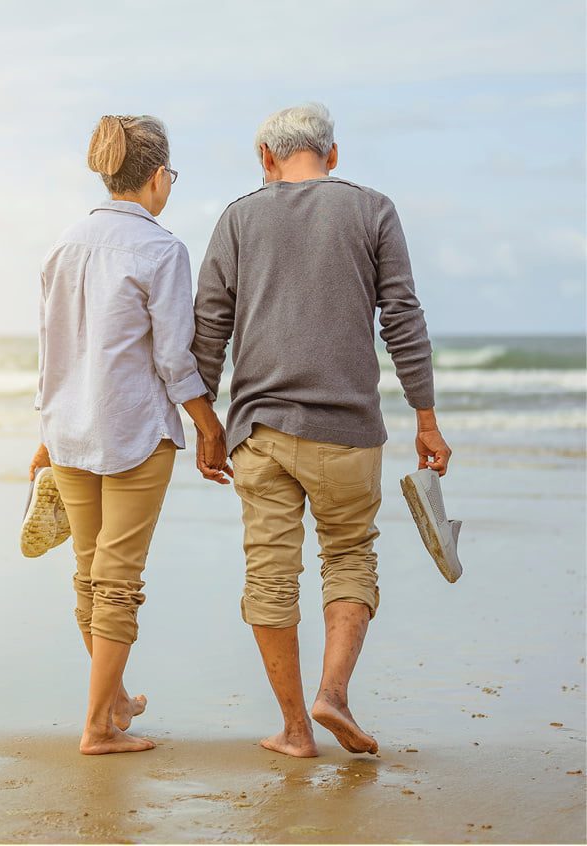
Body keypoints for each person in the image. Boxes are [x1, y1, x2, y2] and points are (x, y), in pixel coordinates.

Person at [191, 102, 452, 757]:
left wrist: (206, 425)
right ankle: (332, 693)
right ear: (332, 156)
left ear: (266, 160)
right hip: (349, 432)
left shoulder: (238, 218)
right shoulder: (372, 210)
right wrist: (426, 416)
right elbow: (402, 319)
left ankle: (295, 730)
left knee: (271, 578)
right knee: (350, 559)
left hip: (260, 432)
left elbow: (208, 330)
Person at [29, 114, 229, 755]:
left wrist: (44, 431)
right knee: (117, 580)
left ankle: (111, 703)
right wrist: (207, 424)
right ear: (159, 176)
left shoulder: (64, 244)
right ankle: (95, 728)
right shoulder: (161, 249)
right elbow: (174, 358)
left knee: (89, 574)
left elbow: (50, 353)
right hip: (134, 431)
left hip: (68, 431)